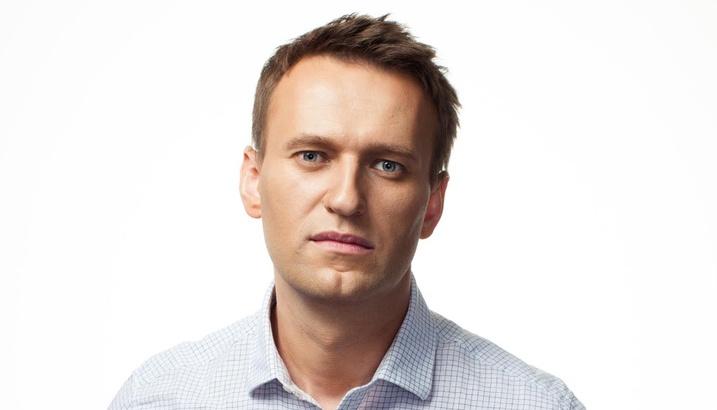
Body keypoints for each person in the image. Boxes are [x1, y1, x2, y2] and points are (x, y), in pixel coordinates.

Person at [109, 13, 584, 410]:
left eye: (388, 165)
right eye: (312, 156)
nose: (346, 199)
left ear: (432, 204)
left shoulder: (535, 404)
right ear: (253, 181)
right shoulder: (158, 398)